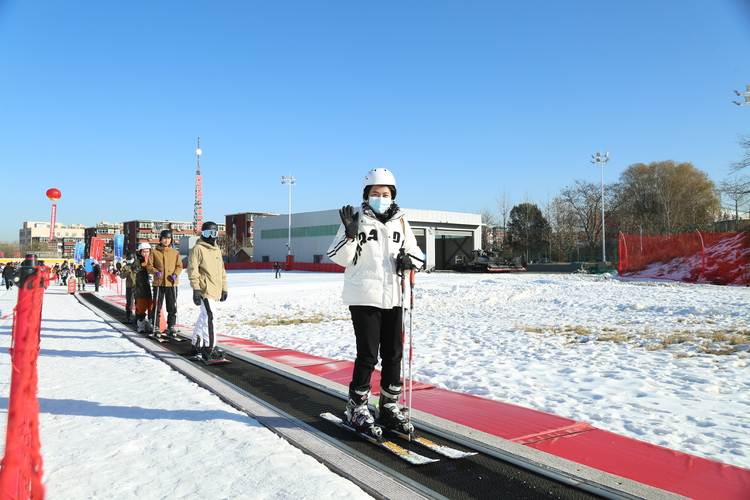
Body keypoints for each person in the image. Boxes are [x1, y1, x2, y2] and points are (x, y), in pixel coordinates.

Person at [326, 168, 423, 438]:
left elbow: (417, 253)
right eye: (375, 193)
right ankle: (356, 407)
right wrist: (349, 235)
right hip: (364, 297)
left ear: (393, 196)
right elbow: (339, 257)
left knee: (394, 354)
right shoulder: (356, 219)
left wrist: (411, 261)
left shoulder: (401, 222)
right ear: (366, 195)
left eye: (385, 193)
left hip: (394, 296)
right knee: (368, 355)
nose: (380, 197)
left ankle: (389, 405)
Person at [187, 221, 228, 361]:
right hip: (205, 289)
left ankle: (195, 343)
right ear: (202, 233)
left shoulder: (216, 250)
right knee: (210, 317)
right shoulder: (197, 249)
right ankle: (209, 348)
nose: (211, 236)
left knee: (204, 316)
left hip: (215, 288)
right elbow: (193, 270)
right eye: (207, 233)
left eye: (214, 233)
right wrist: (196, 289)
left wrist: (224, 288)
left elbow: (221, 270)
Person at [147, 230, 182, 338]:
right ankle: (156, 326)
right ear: (160, 239)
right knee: (157, 305)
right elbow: (149, 266)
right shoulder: (154, 252)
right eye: (164, 238)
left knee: (171, 306)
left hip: (171, 283)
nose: (166, 240)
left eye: (168, 238)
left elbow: (179, 266)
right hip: (159, 283)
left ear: (171, 240)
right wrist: (155, 272)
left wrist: (175, 274)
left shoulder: (175, 252)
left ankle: (171, 326)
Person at [133, 243, 154, 333]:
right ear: (140, 252)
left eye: (148, 251)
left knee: (152, 308)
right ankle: (140, 325)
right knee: (141, 308)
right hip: (141, 289)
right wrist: (142, 265)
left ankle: (151, 323)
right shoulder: (137, 261)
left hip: (152, 289)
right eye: (144, 252)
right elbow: (135, 268)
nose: (146, 254)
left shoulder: (153, 260)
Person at [118, 251, 138, 324]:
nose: (130, 260)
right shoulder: (125, 267)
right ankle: (129, 317)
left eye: (131, 258)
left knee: (138, 303)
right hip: (129, 287)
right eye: (129, 258)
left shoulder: (137, 265)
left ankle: (138, 317)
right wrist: (128, 271)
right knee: (129, 303)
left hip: (138, 287)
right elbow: (122, 276)